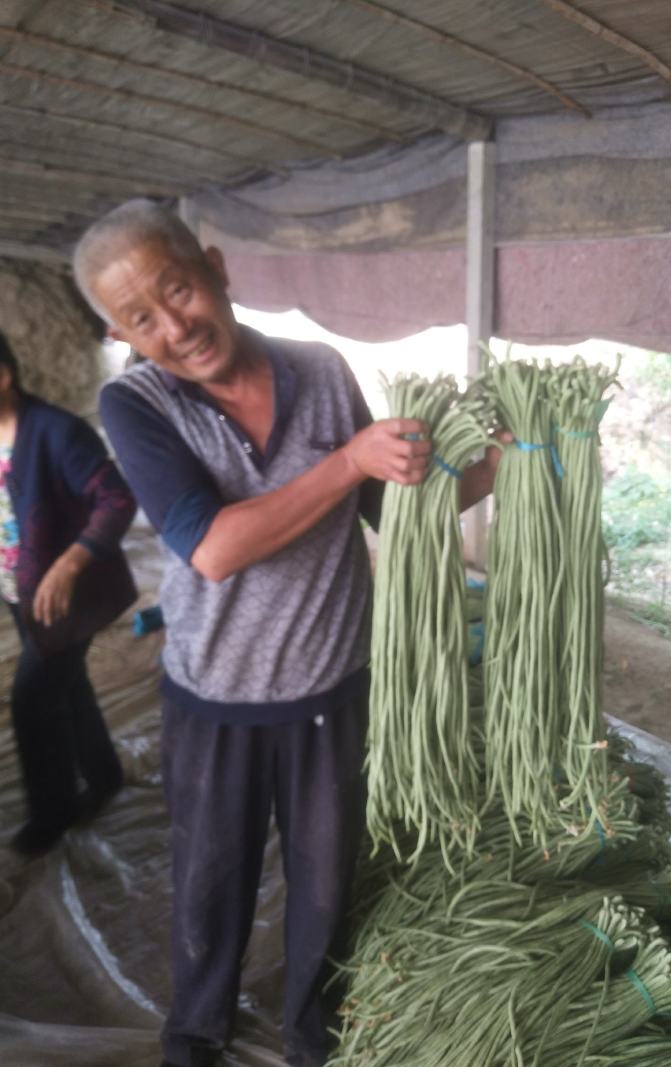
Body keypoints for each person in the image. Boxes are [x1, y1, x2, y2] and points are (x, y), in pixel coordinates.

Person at [73, 199, 502, 1067]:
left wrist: (494, 463)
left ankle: (312, 1031)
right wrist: (347, 460)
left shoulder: (321, 368)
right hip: (216, 700)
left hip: (330, 688)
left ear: (217, 268)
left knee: (323, 880)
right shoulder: (138, 405)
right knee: (211, 883)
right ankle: (194, 1035)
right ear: (121, 334)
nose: (173, 326)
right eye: (140, 320)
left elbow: (387, 504)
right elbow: (215, 548)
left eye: (178, 290)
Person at [0, 330, 137, 856]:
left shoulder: (57, 432)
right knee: (66, 682)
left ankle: (52, 813)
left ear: (4, 375)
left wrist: (68, 565)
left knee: (32, 700)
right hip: (22, 591)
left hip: (68, 596)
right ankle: (104, 775)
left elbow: (116, 500)